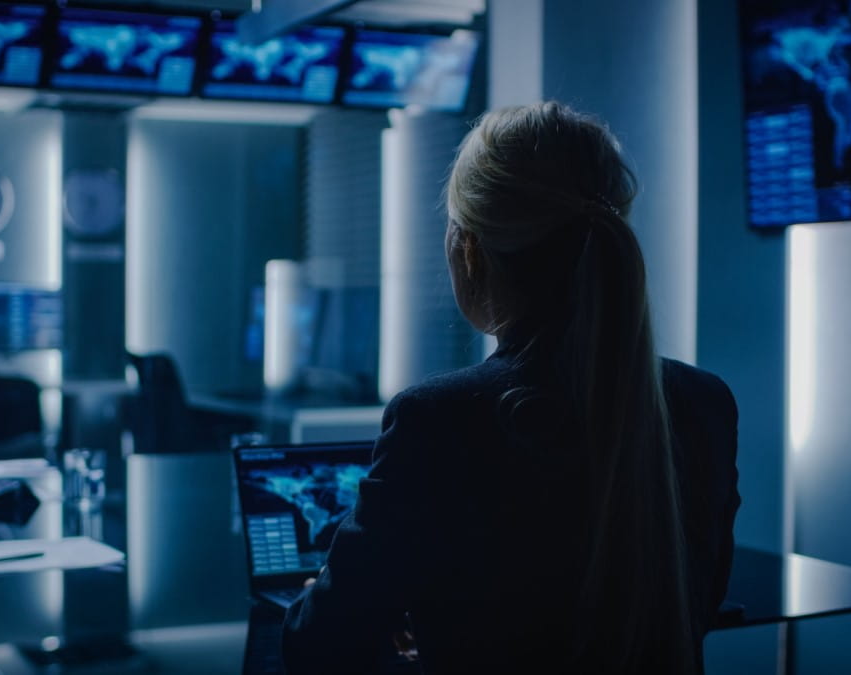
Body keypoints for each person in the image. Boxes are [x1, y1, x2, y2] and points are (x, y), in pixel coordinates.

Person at [282, 102, 740, 674]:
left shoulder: (436, 418)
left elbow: (319, 644)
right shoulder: (704, 402)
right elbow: (694, 599)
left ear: (469, 249)